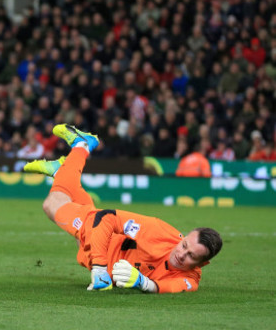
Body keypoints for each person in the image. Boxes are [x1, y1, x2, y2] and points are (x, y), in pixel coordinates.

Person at [24, 124, 222, 293]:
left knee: (74, 208)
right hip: (101, 239)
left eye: (191, 256)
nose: (182, 254)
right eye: (185, 245)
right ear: (184, 237)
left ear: (201, 264)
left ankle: (63, 171)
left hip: (102, 254)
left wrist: (145, 283)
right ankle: (83, 145)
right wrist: (100, 268)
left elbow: (173, 286)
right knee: (52, 204)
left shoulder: (191, 279)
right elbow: (106, 217)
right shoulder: (158, 231)